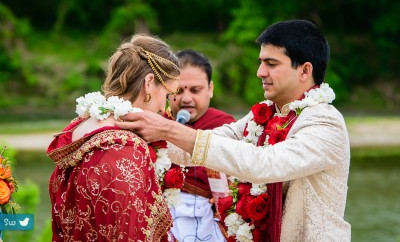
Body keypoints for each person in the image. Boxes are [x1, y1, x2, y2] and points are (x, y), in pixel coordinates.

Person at [116, 19, 351, 241]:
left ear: (304, 70)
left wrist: (167, 129)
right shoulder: (264, 116)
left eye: (271, 64)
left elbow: (264, 164)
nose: (260, 72)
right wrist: (127, 125)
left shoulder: (325, 123)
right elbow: (199, 147)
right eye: (261, 62)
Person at [46, 34, 181, 241]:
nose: (165, 107)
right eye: (168, 94)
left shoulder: (81, 125)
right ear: (149, 83)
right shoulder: (126, 151)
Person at [167, 49, 235, 241]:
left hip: (210, 221)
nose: (186, 98)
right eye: (178, 91)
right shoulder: (155, 125)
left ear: (210, 89)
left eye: (195, 90)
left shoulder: (227, 126)